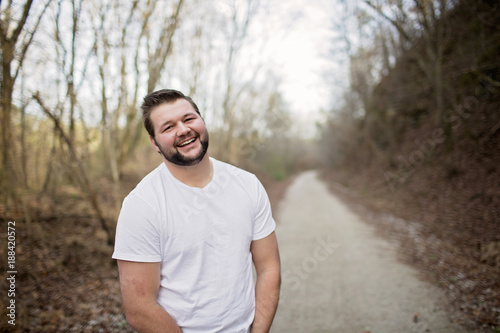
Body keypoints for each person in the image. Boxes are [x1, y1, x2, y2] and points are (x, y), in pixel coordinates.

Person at [112, 89, 281, 333]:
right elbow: (139, 308)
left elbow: (269, 267)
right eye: (168, 127)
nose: (183, 130)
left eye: (188, 119)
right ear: (155, 143)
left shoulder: (248, 185)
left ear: (201, 121)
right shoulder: (142, 205)